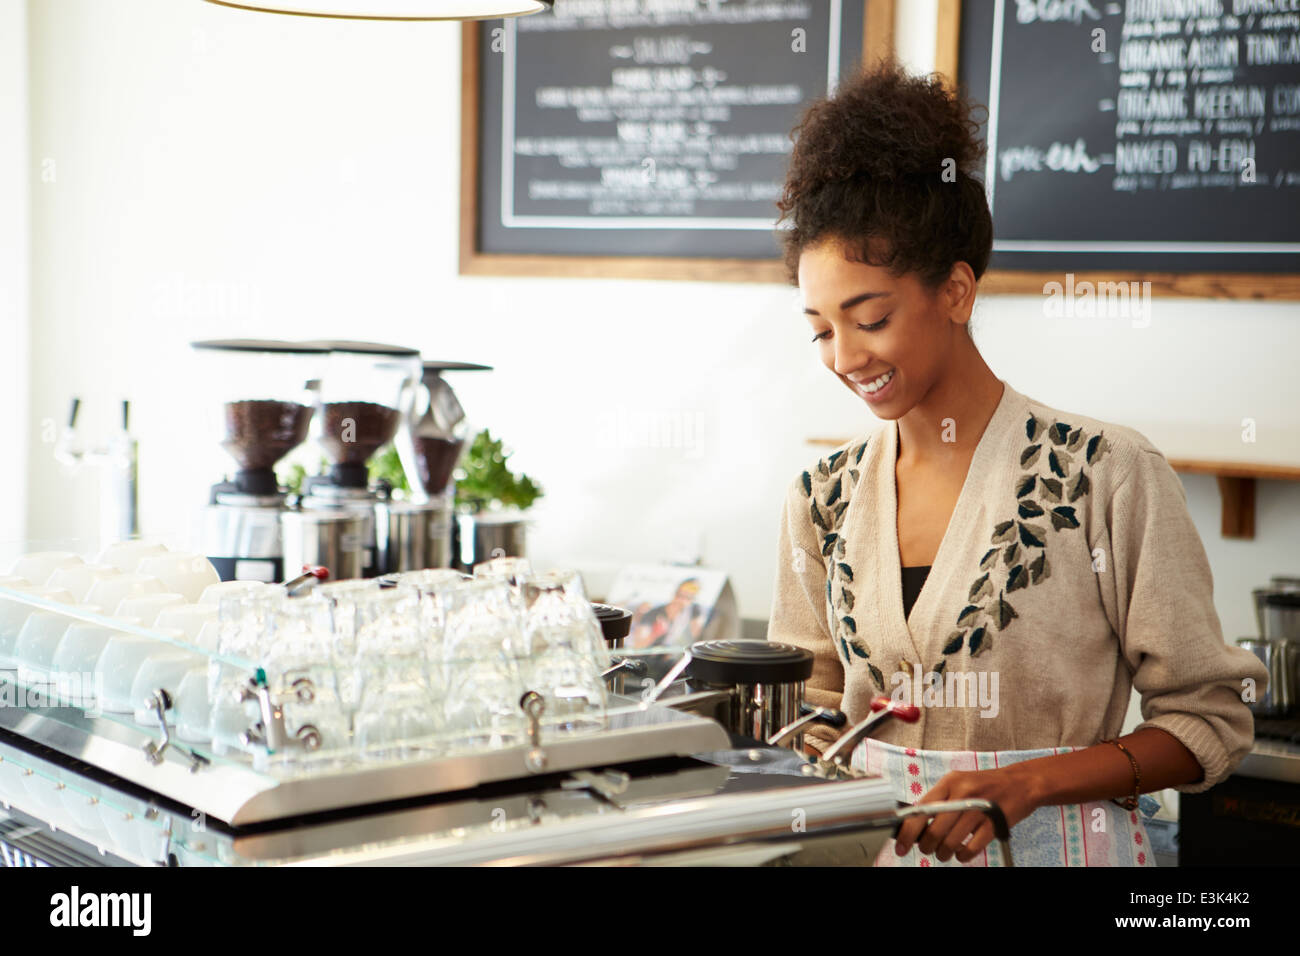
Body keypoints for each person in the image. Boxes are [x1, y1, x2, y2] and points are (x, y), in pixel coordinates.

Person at [768, 60, 1268, 867]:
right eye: (822, 330)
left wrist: (1029, 783)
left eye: (871, 318)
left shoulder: (1106, 475)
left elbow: (1210, 720)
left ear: (957, 291)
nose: (844, 356)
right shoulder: (821, 498)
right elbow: (813, 708)